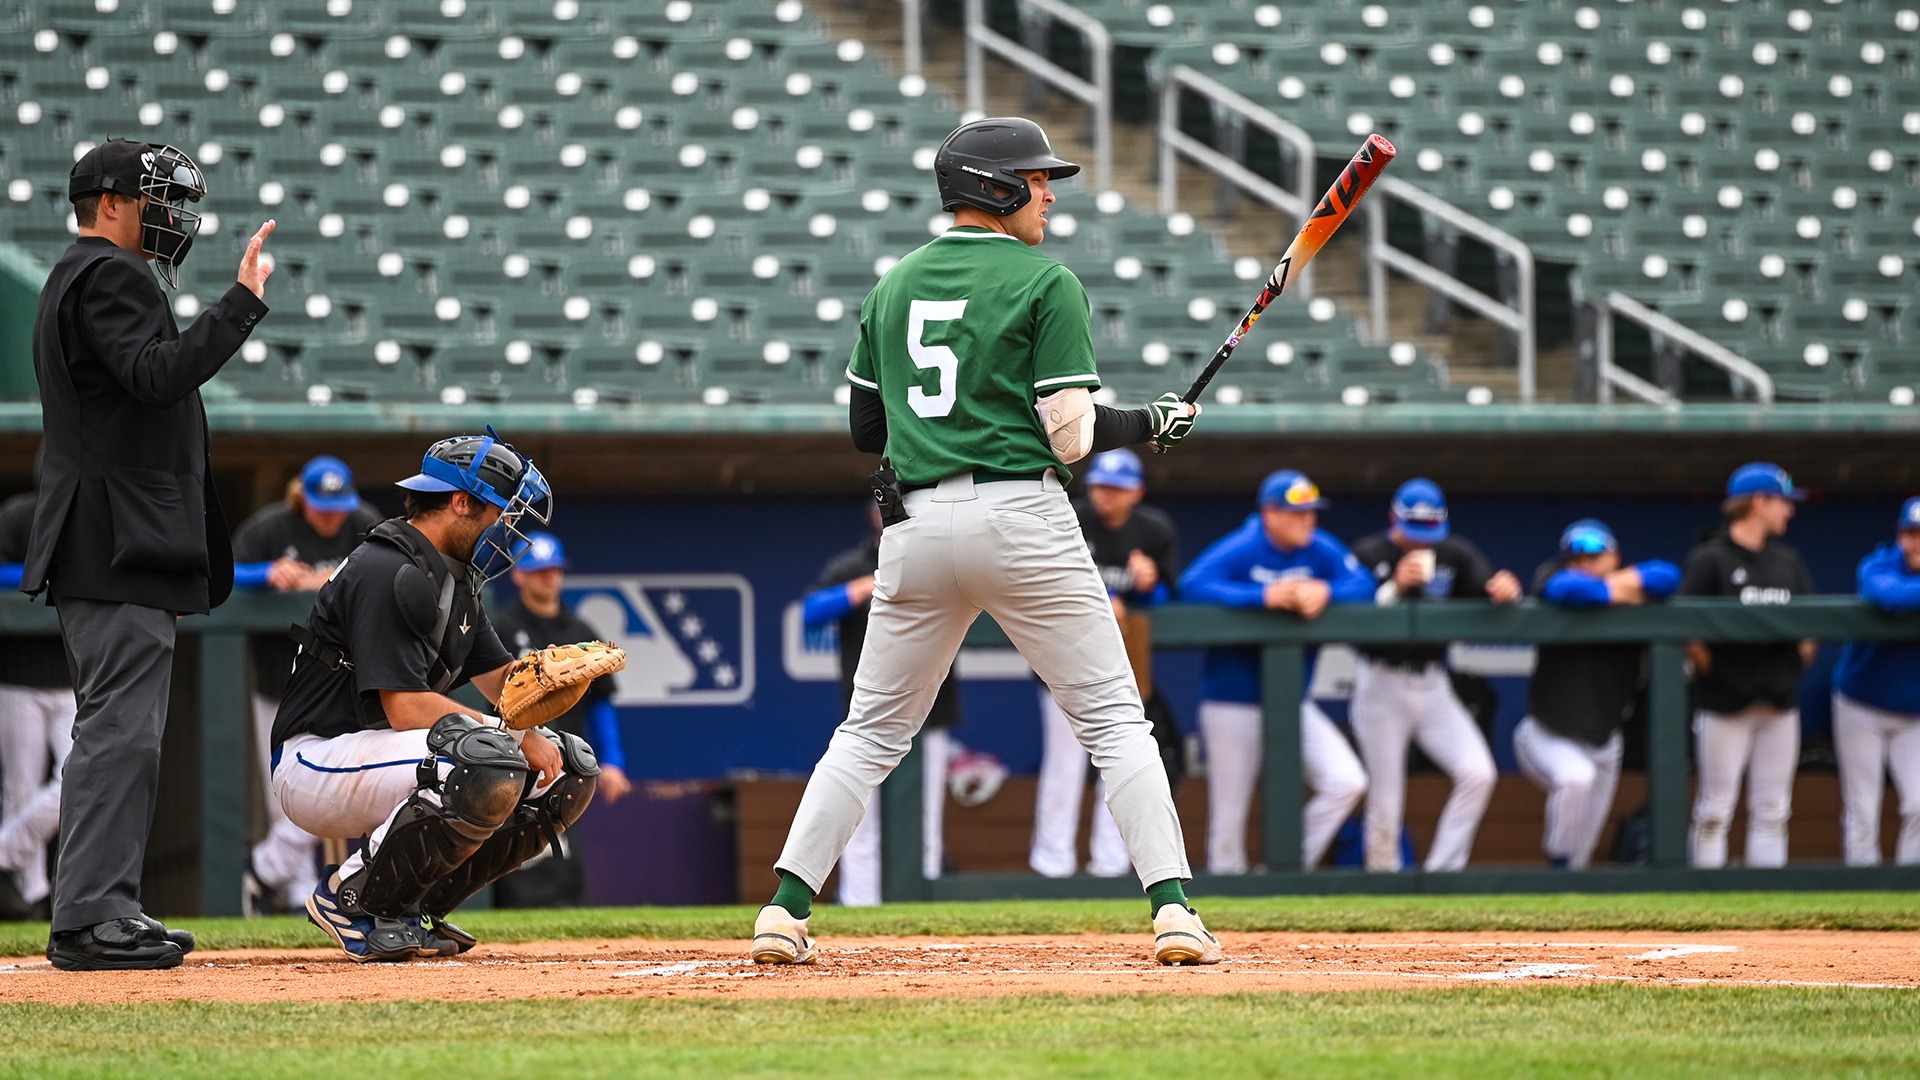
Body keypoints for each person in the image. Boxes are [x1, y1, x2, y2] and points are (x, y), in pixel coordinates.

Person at [751, 116, 1216, 968]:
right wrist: (1153, 420)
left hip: (917, 526)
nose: (1048, 195)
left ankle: (784, 910)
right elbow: (1071, 434)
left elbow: (865, 431)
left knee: (868, 732)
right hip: (1022, 515)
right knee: (1116, 720)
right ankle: (1174, 913)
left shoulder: (892, 285)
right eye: (1035, 181)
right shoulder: (1047, 281)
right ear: (993, 188)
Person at [24, 138, 274, 970]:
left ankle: (101, 908)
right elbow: (157, 375)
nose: (171, 218)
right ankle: (93, 916)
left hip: (104, 543)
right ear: (110, 203)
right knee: (120, 733)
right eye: (157, 200)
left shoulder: (76, 274)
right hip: (116, 544)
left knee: (118, 731)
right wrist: (240, 304)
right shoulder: (112, 274)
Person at [270, 433, 602, 961]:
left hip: (383, 756)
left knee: (568, 771)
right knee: (484, 757)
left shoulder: (455, 577)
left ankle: (414, 906)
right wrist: (513, 737)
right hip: (317, 760)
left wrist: (550, 688)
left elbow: (505, 685)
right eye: (502, 512)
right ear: (461, 502)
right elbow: (405, 707)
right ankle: (347, 896)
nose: (507, 529)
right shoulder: (386, 567)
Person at [1179, 470, 1374, 873]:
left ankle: (1285, 870)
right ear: (1270, 514)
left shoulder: (1319, 547)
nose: (1307, 520)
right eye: (1297, 513)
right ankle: (1228, 895)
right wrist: (1262, 595)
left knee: (1347, 780)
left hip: (1291, 700)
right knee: (1228, 816)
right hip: (1231, 700)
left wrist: (1327, 590)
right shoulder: (1245, 544)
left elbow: (1364, 584)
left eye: (1311, 512)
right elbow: (1192, 584)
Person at [232, 455, 382, 914]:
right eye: (323, 507)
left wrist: (318, 579)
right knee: (286, 796)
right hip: (277, 680)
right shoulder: (271, 527)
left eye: (338, 507)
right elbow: (223, 574)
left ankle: (264, 871)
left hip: (341, 685)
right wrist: (264, 574)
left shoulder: (363, 522)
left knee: (336, 789)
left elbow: (388, 568)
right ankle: (296, 894)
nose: (332, 517)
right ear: (303, 499)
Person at [1348, 478, 1520, 872]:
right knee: (1386, 797)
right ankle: (1384, 885)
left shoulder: (1453, 552)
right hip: (1381, 681)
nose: (1421, 540)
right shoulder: (1370, 553)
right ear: (1394, 518)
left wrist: (1503, 590)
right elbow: (1351, 610)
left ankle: (1443, 873)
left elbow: (1487, 588)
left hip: (1432, 683)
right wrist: (1394, 586)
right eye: (1414, 528)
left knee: (1478, 772)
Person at [1030, 448, 1180, 879]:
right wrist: (1101, 596)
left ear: (1136, 492)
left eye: (1116, 488)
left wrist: (1148, 586)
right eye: (1100, 487)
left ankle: (1111, 865)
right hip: (1062, 660)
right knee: (1064, 767)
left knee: (1119, 765)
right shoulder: (1069, 517)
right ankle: (1053, 865)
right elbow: (1038, 580)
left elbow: (1171, 596)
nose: (1106, 496)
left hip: (1121, 669)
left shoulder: (1153, 530)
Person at [802, 506, 962, 906]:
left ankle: (925, 905)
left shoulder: (944, 556)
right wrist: (865, 587)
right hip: (869, 708)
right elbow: (811, 612)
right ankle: (860, 902)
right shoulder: (855, 564)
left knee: (925, 819)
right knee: (860, 816)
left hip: (931, 706)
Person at [1514, 519, 1680, 868]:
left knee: (1583, 849)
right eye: (1576, 559)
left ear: (1615, 556)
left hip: (1606, 740)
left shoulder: (1633, 579)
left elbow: (1668, 576)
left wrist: (1611, 587)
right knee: (1575, 778)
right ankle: (1557, 868)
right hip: (1547, 733)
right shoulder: (1553, 575)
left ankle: (1567, 883)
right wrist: (1619, 593)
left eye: (1593, 556)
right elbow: (1567, 590)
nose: (1583, 564)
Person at [1680, 461, 1816, 869]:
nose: (1789, 510)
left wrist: (1784, 675)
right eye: (1782, 502)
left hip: (1778, 705)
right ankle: (1706, 898)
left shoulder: (1788, 561)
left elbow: (1811, 630)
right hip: (1724, 704)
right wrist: (1720, 675)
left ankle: (1766, 900)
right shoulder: (1711, 559)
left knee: (1772, 809)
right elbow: (1689, 632)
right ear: (1759, 502)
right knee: (1714, 809)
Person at [489, 531, 633, 907]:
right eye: (538, 571)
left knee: (565, 859)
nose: (548, 578)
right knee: (516, 858)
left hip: (568, 760)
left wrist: (613, 760)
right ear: (518, 574)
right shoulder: (502, 628)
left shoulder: (580, 632)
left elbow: (601, 702)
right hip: (514, 759)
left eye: (553, 570)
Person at [1829, 497, 1920, 866]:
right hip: (1861, 702)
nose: (1916, 543)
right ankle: (1861, 892)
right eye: (1911, 534)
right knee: (1862, 808)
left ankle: (1910, 891)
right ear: (1900, 536)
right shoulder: (1879, 563)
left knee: (1919, 805)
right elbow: (1887, 594)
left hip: (1915, 712)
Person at [0, 489, 73, 918]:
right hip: (17, 674)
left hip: (70, 672)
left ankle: (3, 852)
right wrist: (36, 574)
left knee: (76, 777)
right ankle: (31, 898)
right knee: (20, 787)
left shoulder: (88, 513)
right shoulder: (18, 514)